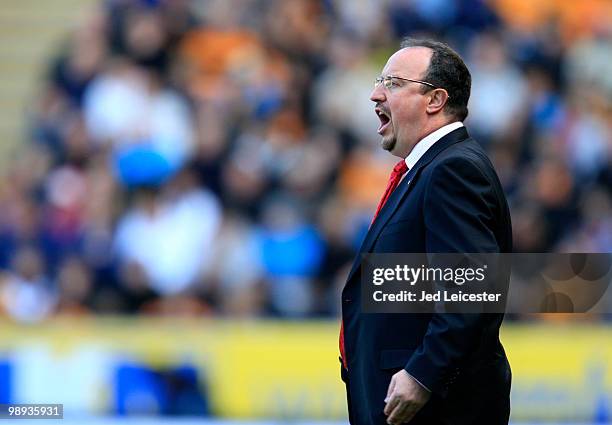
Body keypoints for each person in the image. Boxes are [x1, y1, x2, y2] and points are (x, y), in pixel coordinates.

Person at [339, 38, 512, 425]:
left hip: (436, 409)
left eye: (393, 83)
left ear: (435, 100)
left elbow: (472, 286)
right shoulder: (427, 169)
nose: (374, 94)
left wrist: (422, 373)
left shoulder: (452, 170)